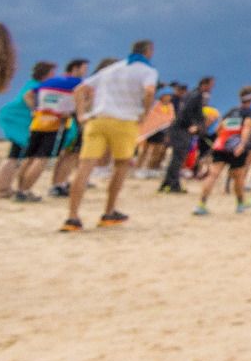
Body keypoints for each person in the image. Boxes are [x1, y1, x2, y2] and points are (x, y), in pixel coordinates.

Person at [61, 41, 158, 231]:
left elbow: (79, 90)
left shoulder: (111, 69)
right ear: (148, 52)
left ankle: (72, 217)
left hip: (98, 120)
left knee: (85, 167)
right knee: (121, 166)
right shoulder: (147, 71)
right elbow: (149, 91)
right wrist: (145, 112)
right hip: (125, 121)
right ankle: (109, 211)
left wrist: (81, 115)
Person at [13, 57, 89, 202]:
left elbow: (27, 94)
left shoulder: (50, 82)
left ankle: (20, 190)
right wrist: (74, 112)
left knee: (29, 158)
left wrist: (36, 109)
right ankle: (26, 191)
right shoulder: (77, 83)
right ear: (75, 69)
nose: (85, 72)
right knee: (42, 159)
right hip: (55, 125)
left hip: (38, 122)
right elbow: (86, 98)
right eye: (84, 69)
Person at [196, 88, 251, 215]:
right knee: (238, 176)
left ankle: (201, 204)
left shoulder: (231, 111)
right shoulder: (249, 113)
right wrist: (241, 144)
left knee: (213, 175)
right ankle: (240, 204)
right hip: (236, 147)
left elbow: (219, 128)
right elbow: (246, 128)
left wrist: (221, 141)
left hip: (221, 145)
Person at [0, 59, 52, 199]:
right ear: (45, 74)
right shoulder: (36, 86)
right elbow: (28, 96)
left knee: (14, 156)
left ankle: (2, 187)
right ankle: (1, 189)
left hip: (14, 119)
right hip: (18, 122)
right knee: (14, 156)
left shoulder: (32, 84)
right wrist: (36, 111)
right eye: (52, 73)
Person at [161, 76, 211, 193]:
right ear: (205, 84)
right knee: (178, 158)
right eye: (211, 85)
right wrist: (193, 125)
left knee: (176, 158)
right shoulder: (196, 95)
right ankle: (173, 185)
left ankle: (167, 183)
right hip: (182, 129)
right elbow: (187, 112)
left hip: (179, 128)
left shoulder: (191, 94)